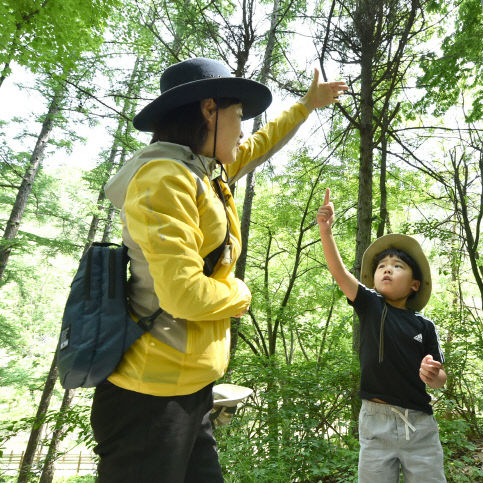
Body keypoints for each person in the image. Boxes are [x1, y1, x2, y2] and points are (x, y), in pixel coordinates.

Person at [91, 57, 347, 483]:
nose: (244, 128)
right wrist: (241, 296)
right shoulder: (164, 177)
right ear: (209, 109)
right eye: (238, 115)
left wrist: (306, 105)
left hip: (190, 392)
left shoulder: (206, 174)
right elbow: (183, 295)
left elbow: (261, 143)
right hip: (148, 399)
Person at [317, 188, 447, 483]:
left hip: (419, 424)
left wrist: (433, 374)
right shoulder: (371, 305)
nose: (387, 270)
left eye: (397, 266)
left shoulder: (424, 325)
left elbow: (441, 381)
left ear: (415, 284)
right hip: (375, 420)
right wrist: (327, 233)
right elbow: (339, 273)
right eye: (381, 266)